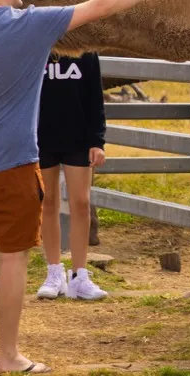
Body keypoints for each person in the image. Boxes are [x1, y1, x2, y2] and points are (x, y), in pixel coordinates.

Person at [0, 0, 190, 374]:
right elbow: (103, 5)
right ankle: (9, 355)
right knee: (12, 260)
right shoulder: (32, 24)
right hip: (13, 166)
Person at [36, 51, 107, 301]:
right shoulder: (36, 40)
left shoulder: (86, 51)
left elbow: (94, 97)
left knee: (81, 202)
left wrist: (97, 141)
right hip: (41, 138)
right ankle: (54, 273)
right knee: (48, 200)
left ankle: (79, 276)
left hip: (78, 138)